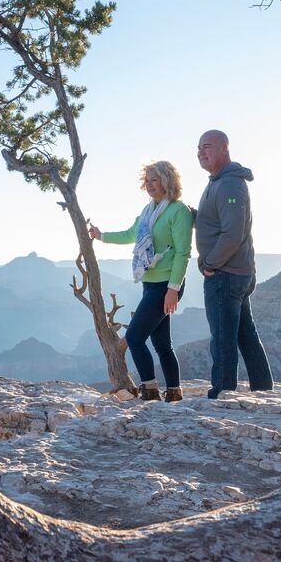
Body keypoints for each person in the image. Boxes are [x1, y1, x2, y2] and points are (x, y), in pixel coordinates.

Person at [89, 161, 194, 401]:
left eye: (154, 180)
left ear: (168, 181)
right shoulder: (147, 212)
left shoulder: (179, 211)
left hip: (167, 284)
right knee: (162, 343)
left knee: (135, 338)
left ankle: (149, 389)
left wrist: (173, 290)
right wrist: (101, 235)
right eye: (146, 181)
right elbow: (130, 234)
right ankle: (175, 393)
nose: (149, 185)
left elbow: (183, 253)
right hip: (150, 283)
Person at [193, 129, 273, 400]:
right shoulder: (217, 181)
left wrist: (209, 264)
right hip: (235, 271)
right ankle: (263, 390)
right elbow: (216, 221)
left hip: (225, 273)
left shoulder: (229, 184)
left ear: (224, 149)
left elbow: (233, 232)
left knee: (223, 337)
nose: (201, 152)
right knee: (245, 334)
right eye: (199, 148)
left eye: (207, 147)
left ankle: (223, 393)